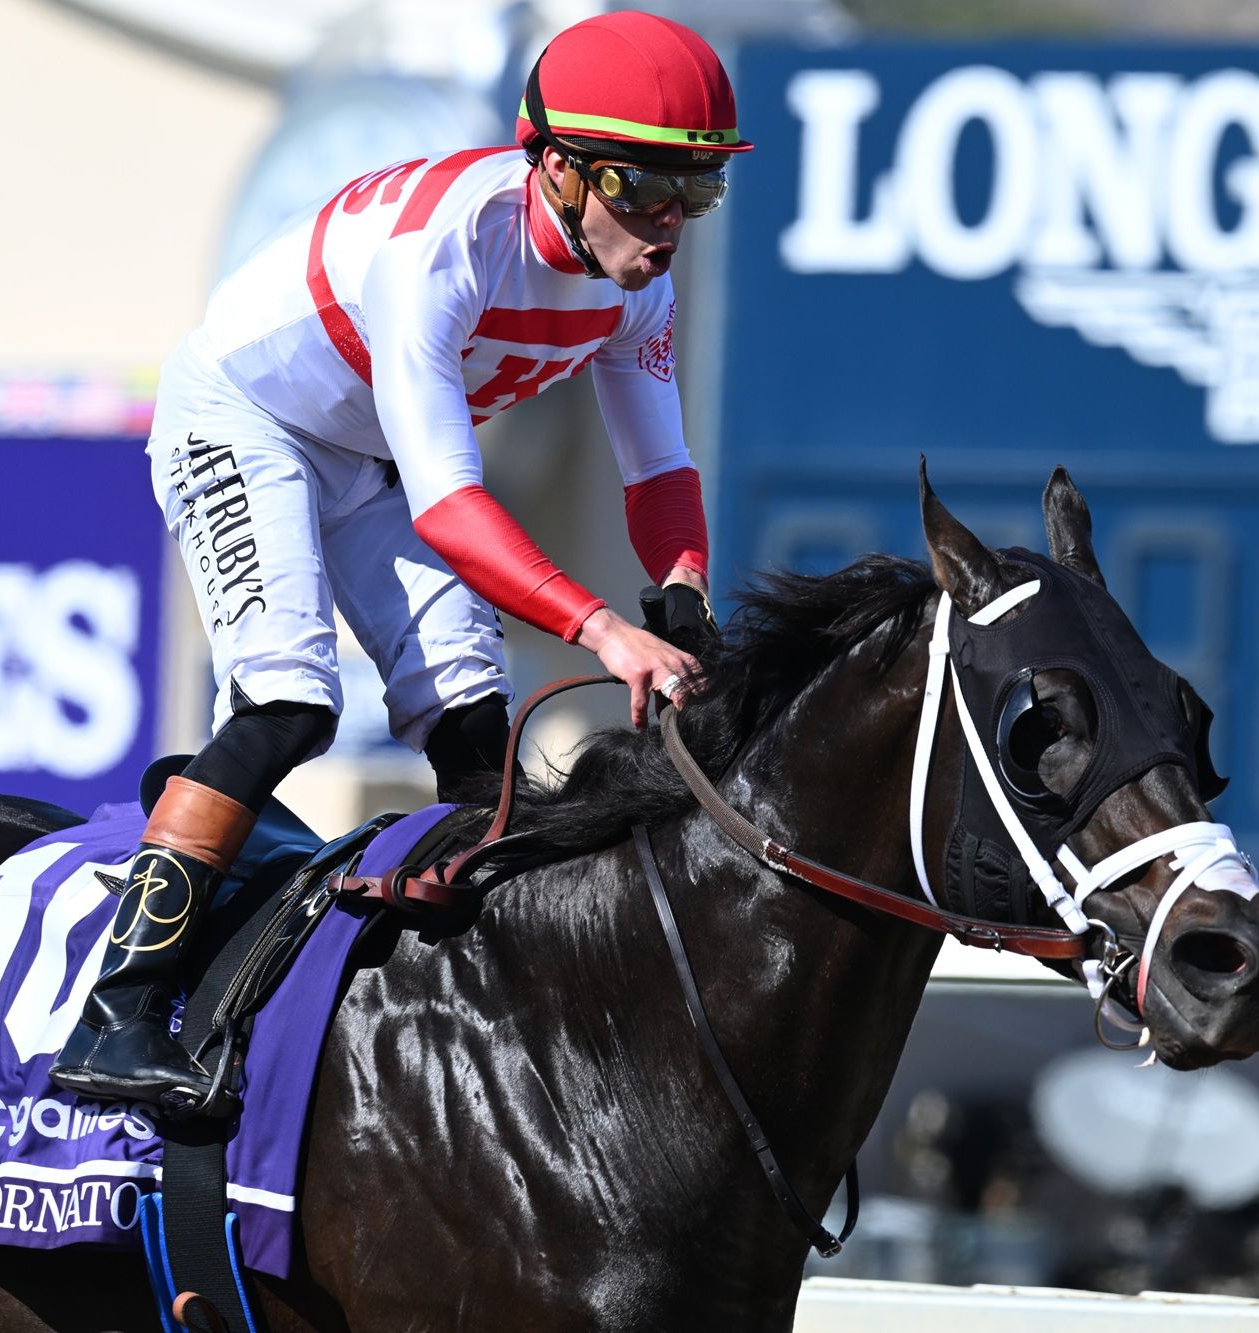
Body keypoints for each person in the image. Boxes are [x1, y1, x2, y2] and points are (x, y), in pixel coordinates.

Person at [50, 10, 752, 1112]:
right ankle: (116, 1009)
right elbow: (447, 506)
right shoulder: (448, 250)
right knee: (288, 703)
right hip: (246, 418)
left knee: (474, 721)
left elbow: (657, 469)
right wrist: (600, 628)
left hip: (363, 445)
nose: (665, 227)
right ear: (558, 170)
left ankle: (475, 989)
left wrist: (681, 589)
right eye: (639, 189)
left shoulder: (635, 285)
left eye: (694, 195)